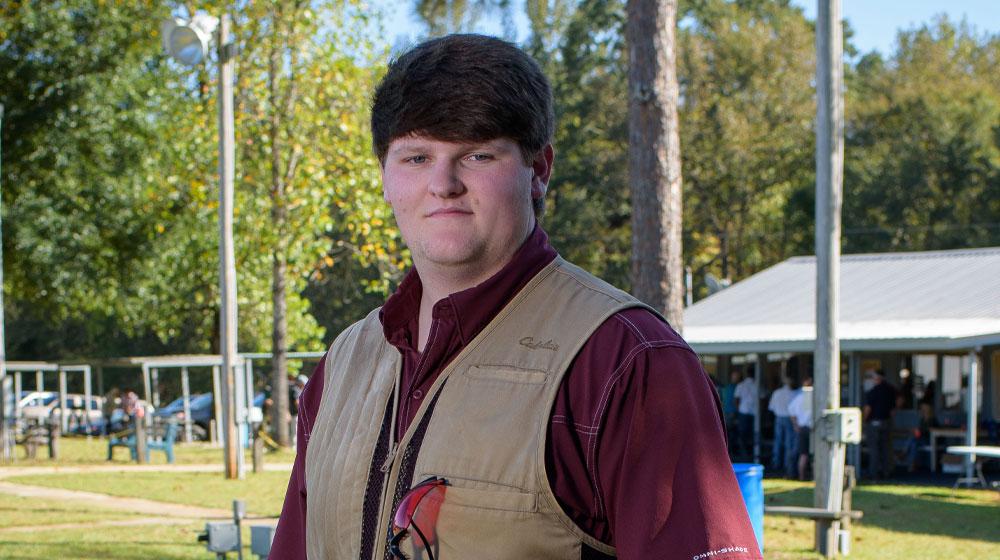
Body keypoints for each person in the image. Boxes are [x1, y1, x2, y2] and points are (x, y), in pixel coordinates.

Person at [271, 34, 760, 560]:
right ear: (385, 178)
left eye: (478, 154)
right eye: (415, 157)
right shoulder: (342, 365)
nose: (444, 183)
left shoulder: (627, 363)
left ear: (539, 169)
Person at [863, 370, 896, 479]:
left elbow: (868, 408)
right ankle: (887, 472)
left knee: (874, 449)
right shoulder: (890, 390)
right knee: (886, 448)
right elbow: (896, 405)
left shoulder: (873, 391)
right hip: (887, 422)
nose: (872, 379)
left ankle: (874, 473)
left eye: (873, 377)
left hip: (874, 422)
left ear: (878, 378)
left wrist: (863, 420)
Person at [768, 376, 797, 477]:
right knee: (789, 443)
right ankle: (787, 465)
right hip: (789, 418)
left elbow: (771, 407)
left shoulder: (776, 393)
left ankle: (776, 463)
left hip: (779, 417)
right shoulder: (794, 393)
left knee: (778, 441)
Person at [788, 377, 813, 481]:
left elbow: (791, 411)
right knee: (814, 455)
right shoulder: (814, 396)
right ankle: (815, 478)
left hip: (802, 428)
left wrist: (796, 425)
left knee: (803, 455)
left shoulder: (799, 397)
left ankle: (801, 477)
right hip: (812, 429)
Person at [733, 370, 758, 461]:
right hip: (755, 413)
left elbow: (736, 400)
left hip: (743, 412)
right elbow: (763, 399)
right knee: (752, 435)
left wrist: (739, 409)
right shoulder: (757, 385)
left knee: (743, 435)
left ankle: (744, 455)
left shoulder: (741, 385)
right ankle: (752, 454)